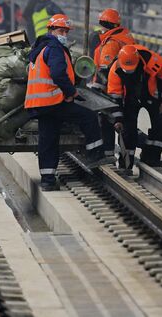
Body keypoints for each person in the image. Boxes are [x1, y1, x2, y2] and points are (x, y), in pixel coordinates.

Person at [25, 14, 108, 191]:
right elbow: (57, 74)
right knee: (88, 116)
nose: (63, 33)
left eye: (65, 31)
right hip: (53, 101)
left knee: (48, 140)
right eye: (60, 30)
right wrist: (71, 93)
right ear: (51, 30)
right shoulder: (54, 48)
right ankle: (95, 155)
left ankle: (47, 180)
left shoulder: (39, 48)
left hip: (38, 105)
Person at [107, 44, 162, 169]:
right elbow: (115, 97)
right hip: (130, 97)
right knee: (127, 129)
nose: (129, 72)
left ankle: (152, 157)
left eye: (131, 69)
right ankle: (126, 164)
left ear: (137, 61)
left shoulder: (152, 60)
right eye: (126, 69)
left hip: (151, 94)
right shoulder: (115, 70)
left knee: (161, 123)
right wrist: (118, 119)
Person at [89, 8, 137, 158]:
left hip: (112, 89)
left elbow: (104, 71)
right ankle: (126, 158)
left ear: (105, 24)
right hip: (129, 87)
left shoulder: (111, 43)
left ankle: (107, 153)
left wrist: (96, 93)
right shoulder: (126, 36)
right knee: (127, 122)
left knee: (107, 120)